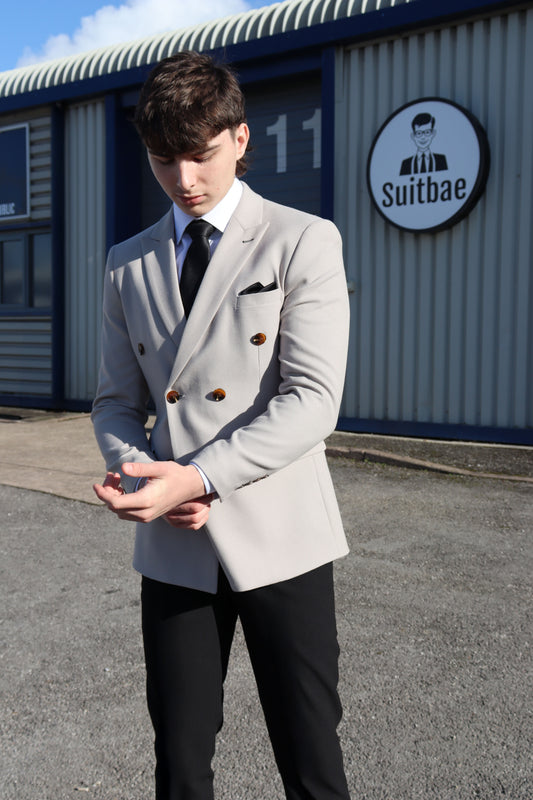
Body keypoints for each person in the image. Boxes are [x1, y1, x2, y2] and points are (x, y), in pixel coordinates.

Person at [91, 50, 351, 800]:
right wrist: (138, 473)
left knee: (310, 757)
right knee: (179, 762)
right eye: (162, 159)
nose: (184, 179)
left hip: (281, 533)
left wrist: (198, 478)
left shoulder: (301, 240)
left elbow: (312, 399)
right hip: (175, 545)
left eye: (200, 155)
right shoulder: (127, 263)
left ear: (240, 138)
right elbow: (115, 402)